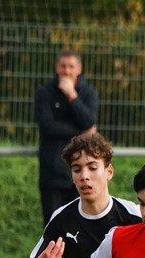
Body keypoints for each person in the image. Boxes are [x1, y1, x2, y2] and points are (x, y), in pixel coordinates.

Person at [35, 49, 98, 225]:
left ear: (79, 68)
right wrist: (80, 132)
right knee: (54, 228)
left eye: (71, 66)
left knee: (80, 227)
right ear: (57, 67)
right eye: (63, 66)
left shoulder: (88, 93)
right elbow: (47, 126)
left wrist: (72, 95)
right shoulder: (45, 93)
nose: (67, 71)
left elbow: (89, 121)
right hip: (52, 174)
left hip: (81, 172)